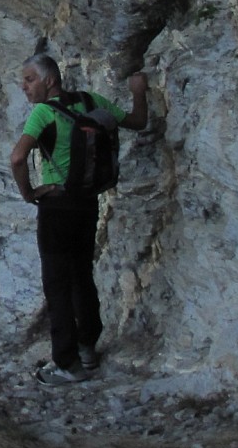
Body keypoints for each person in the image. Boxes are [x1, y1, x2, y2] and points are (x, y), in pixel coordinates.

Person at [9, 53, 148, 386]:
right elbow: (137, 122)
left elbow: (17, 158)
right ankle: (88, 346)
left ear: (50, 81)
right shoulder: (91, 100)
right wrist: (139, 90)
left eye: (29, 79)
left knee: (57, 285)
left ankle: (67, 364)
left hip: (56, 208)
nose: (23, 86)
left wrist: (28, 193)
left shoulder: (43, 113)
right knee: (82, 275)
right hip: (87, 204)